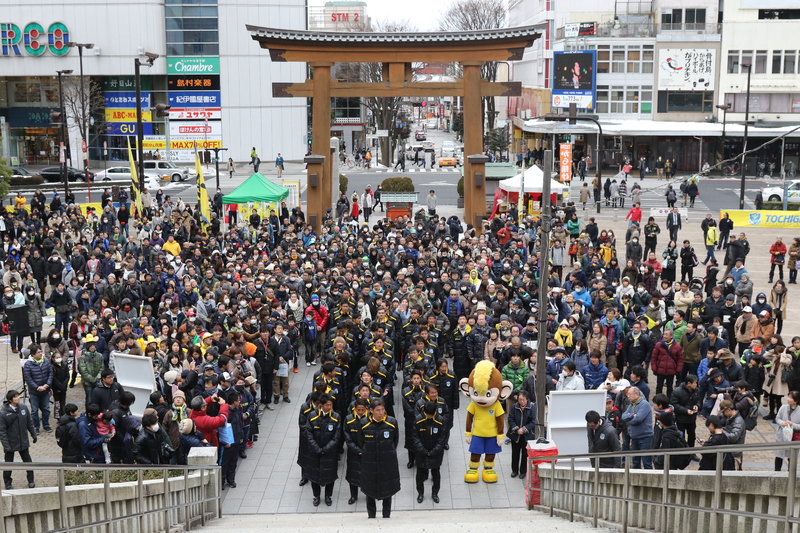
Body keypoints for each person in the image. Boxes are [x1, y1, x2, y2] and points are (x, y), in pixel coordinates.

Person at [305, 394, 340, 506]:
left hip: (330, 453)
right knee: (314, 475)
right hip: (314, 452)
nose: (329, 407)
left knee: (330, 475)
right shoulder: (312, 416)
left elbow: (336, 437)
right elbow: (309, 435)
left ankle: (328, 496)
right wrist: (316, 448)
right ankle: (316, 496)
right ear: (321, 405)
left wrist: (326, 449)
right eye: (327, 405)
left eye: (331, 405)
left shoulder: (336, 417)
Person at [0, 390, 37, 489]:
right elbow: (2, 432)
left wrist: (33, 434)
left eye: (18, 396)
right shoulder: (3, 413)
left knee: (28, 462)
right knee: (9, 464)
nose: (18, 398)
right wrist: (6, 446)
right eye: (15, 397)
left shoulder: (23, 407)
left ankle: (31, 480)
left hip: (23, 441)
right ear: (10, 400)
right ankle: (8, 483)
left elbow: (29, 422)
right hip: (10, 442)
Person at [412, 401, 447, 503]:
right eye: (428, 415)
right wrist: (424, 451)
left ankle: (435, 493)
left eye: (431, 415)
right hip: (421, 454)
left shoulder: (441, 421)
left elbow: (441, 439)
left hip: (436, 454)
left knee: (436, 475)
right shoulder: (418, 420)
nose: (429, 417)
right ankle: (420, 493)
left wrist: (433, 452)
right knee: (420, 475)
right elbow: (415, 438)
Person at [22, 344, 53, 433]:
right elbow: (28, 378)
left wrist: (47, 385)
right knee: (34, 411)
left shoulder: (46, 361)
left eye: (41, 351)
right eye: (38, 352)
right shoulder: (28, 364)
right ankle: (36, 427)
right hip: (34, 392)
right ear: (33, 354)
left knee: (46, 409)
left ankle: (46, 425)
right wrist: (37, 387)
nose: (40, 353)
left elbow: (50, 373)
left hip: (45, 391)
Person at [621, 386, 653, 469]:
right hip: (634, 438)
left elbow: (638, 419)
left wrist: (629, 419)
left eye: (630, 394)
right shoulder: (631, 405)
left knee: (646, 462)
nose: (628, 396)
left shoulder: (645, 404)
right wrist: (633, 415)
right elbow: (623, 416)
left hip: (645, 438)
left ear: (637, 394)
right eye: (627, 394)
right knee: (635, 462)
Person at [507, 390, 536, 478]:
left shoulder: (532, 407)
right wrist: (516, 429)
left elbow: (533, 421)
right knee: (515, 453)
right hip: (516, 434)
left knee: (525, 454)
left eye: (523, 399)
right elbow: (510, 419)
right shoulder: (514, 406)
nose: (521, 401)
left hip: (527, 434)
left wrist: (524, 429)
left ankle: (523, 471)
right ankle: (514, 470)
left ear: (527, 399)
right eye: (520, 399)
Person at [774, 391, 800, 471]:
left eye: (791, 398)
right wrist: (782, 423)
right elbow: (777, 418)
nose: (788, 399)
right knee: (779, 455)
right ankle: (777, 473)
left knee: (792, 456)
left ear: (796, 400)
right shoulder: (783, 407)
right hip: (782, 435)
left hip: (794, 437)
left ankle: (791, 473)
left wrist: (792, 424)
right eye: (788, 397)